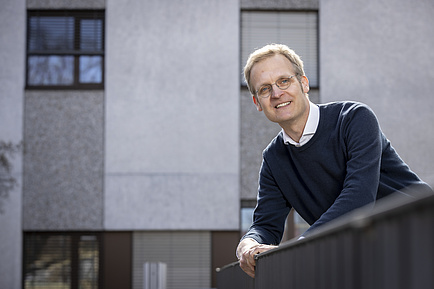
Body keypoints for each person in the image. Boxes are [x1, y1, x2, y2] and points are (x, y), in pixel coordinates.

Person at [236, 43, 432, 278]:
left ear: (304, 83)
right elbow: (266, 225)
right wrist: (248, 244)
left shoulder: (353, 119)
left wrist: (301, 246)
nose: (277, 93)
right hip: (371, 258)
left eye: (284, 81)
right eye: (265, 89)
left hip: (422, 237)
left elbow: (359, 196)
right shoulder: (273, 159)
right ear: (258, 103)